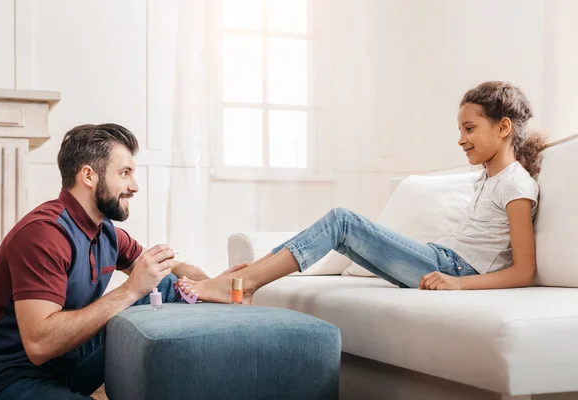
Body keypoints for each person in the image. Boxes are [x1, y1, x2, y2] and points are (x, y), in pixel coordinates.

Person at [177, 81, 548, 305]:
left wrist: (458, 282)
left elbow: (524, 271)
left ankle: (239, 286)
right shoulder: (486, 178)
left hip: (451, 267)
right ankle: (239, 280)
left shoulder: (516, 184)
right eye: (461, 129)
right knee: (339, 230)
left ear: (502, 128)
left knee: (342, 220)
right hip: (440, 257)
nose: (461, 139)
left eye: (469, 128)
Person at [0, 124, 244, 399]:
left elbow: (165, 268)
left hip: (64, 363)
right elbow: (39, 344)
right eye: (125, 173)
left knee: (165, 284)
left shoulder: (105, 231)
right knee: (141, 289)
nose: (134, 187)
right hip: (5, 377)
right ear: (89, 176)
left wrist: (212, 284)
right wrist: (130, 290)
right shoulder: (43, 234)